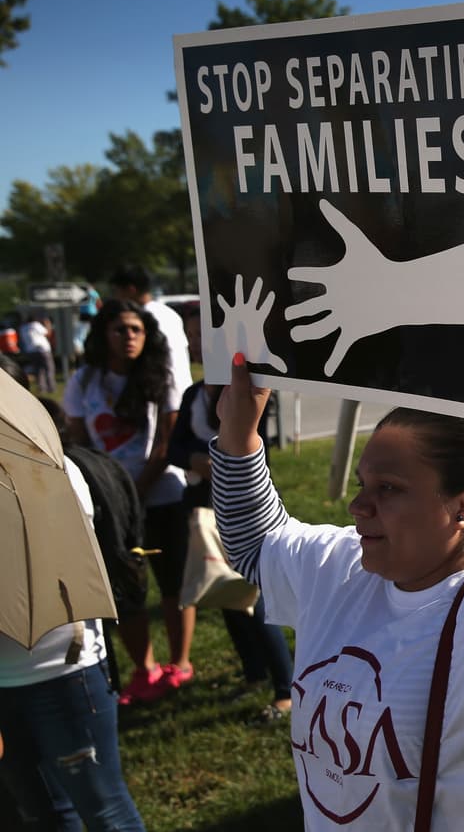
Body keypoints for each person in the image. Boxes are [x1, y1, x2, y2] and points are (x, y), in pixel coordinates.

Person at [212, 353, 464, 830]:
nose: (357, 505)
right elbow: (255, 544)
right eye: (362, 483)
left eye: (388, 488)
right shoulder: (343, 565)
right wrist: (239, 434)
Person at [0, 370, 147, 832]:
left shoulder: (53, 474)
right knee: (44, 814)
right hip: (11, 682)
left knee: (104, 811)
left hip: (62, 672)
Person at [63, 298, 195, 705]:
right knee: (126, 589)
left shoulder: (163, 376)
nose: (129, 337)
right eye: (120, 329)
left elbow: (166, 443)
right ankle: (145, 668)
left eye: (136, 330)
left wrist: (135, 491)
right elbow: (79, 441)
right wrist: (110, 492)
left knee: (174, 584)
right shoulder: (84, 381)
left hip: (163, 495)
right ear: (104, 334)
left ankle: (181, 663)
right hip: (110, 505)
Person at [168, 308, 294, 721]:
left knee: (253, 599)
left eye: (201, 336)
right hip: (204, 507)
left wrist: (223, 458)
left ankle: (283, 685)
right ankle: (252, 671)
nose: (195, 345)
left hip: (239, 509)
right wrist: (196, 458)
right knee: (222, 593)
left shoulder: (250, 389)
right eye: (191, 337)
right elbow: (173, 447)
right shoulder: (193, 395)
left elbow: (259, 447)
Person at [109, 266, 192, 399]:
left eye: (116, 291)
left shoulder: (142, 319)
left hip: (162, 394)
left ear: (131, 290)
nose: (115, 297)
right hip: (183, 391)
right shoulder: (169, 313)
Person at [19, 312, 55, 394]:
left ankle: (42, 388)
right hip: (43, 349)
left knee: (38, 370)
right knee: (49, 369)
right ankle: (51, 387)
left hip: (31, 351)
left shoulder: (23, 328)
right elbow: (48, 333)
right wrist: (48, 324)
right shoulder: (35, 325)